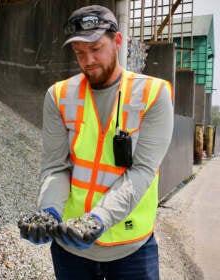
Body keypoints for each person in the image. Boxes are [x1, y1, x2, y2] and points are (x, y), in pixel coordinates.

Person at [18, 4, 174, 280]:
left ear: (117, 41)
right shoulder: (59, 95)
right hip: (70, 248)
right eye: (79, 52)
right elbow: (56, 166)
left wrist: (97, 219)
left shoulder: (153, 94)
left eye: (96, 49)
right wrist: (49, 210)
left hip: (130, 248)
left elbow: (142, 171)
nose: (88, 60)